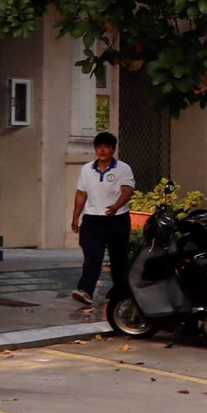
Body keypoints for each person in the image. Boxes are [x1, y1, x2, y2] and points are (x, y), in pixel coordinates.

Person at [70, 131, 134, 306]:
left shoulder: (123, 168)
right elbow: (81, 193)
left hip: (117, 219)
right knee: (92, 257)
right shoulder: (87, 169)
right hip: (92, 220)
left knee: (118, 259)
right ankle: (85, 291)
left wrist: (116, 206)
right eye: (99, 147)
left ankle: (122, 294)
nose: (102, 150)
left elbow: (127, 190)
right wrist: (75, 216)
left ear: (113, 149)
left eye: (106, 147)